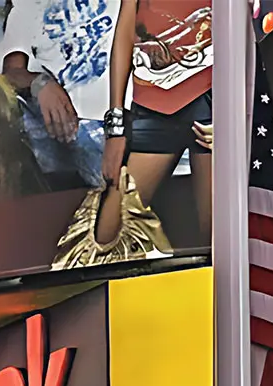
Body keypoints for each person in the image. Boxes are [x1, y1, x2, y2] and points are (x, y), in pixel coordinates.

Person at [93, 0, 213, 251]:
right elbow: (125, 34)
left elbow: (247, 27)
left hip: (212, 98)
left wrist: (237, 114)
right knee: (107, 235)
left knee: (217, 239)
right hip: (153, 101)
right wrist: (116, 126)